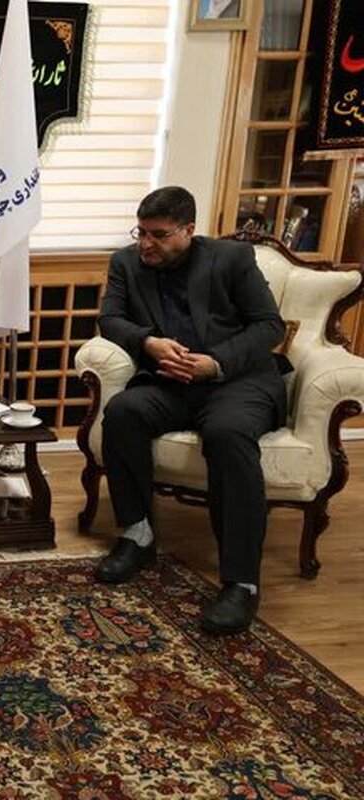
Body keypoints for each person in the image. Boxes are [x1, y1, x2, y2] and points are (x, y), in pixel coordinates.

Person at [94, 185, 287, 634]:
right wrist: (148, 343)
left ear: (188, 230)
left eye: (158, 235)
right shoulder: (126, 263)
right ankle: (138, 535)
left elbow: (269, 326)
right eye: (141, 232)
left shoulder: (231, 259)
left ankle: (241, 582)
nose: (146, 244)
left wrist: (214, 363)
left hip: (234, 381)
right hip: (170, 382)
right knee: (123, 412)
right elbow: (110, 319)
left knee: (226, 434)